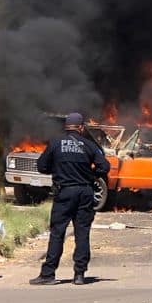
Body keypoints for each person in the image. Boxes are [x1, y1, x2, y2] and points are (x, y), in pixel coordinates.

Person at [30, 113, 110, 286]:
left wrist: (57, 169)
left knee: (57, 233)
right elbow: (105, 166)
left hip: (64, 193)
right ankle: (79, 274)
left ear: (66, 127)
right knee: (82, 233)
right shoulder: (89, 145)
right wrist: (91, 175)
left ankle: (48, 274)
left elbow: (41, 166)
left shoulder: (55, 144)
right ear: (80, 128)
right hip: (85, 192)